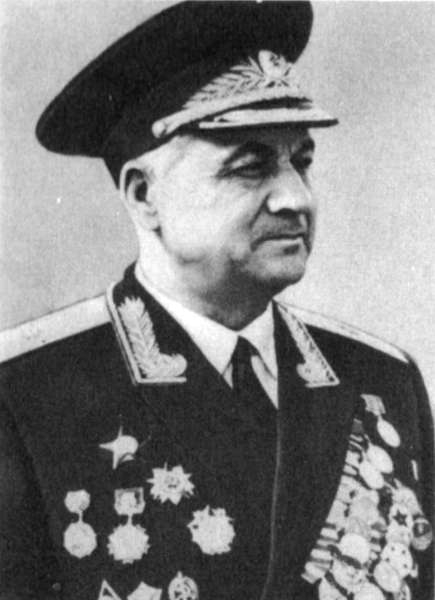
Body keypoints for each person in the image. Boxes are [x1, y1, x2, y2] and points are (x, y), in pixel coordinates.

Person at [0, 2, 433, 600]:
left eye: (301, 161)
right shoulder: (28, 392)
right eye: (250, 167)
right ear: (144, 195)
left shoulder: (382, 380)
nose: (296, 198)